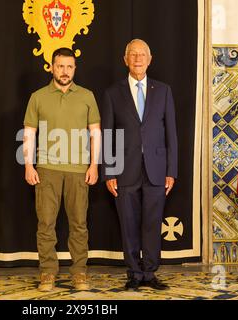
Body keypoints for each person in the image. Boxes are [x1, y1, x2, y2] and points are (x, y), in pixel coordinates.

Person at [101, 39, 178, 291]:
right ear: (125, 60)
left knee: (152, 223)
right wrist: (109, 171)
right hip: (124, 170)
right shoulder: (113, 92)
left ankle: (150, 272)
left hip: (157, 170)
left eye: (141, 54)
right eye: (132, 54)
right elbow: (108, 134)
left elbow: (172, 135)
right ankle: (134, 273)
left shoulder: (163, 90)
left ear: (150, 58)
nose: (137, 59)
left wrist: (171, 170)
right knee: (129, 222)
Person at [23, 48, 101, 292]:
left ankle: (79, 273)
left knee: (79, 224)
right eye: (60, 66)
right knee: (46, 224)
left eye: (69, 67)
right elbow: (29, 133)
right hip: (46, 169)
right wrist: (28, 165)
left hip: (79, 170)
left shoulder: (87, 96)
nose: (65, 71)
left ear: (75, 69)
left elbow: (95, 132)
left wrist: (94, 165)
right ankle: (47, 273)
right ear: (52, 67)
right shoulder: (38, 97)